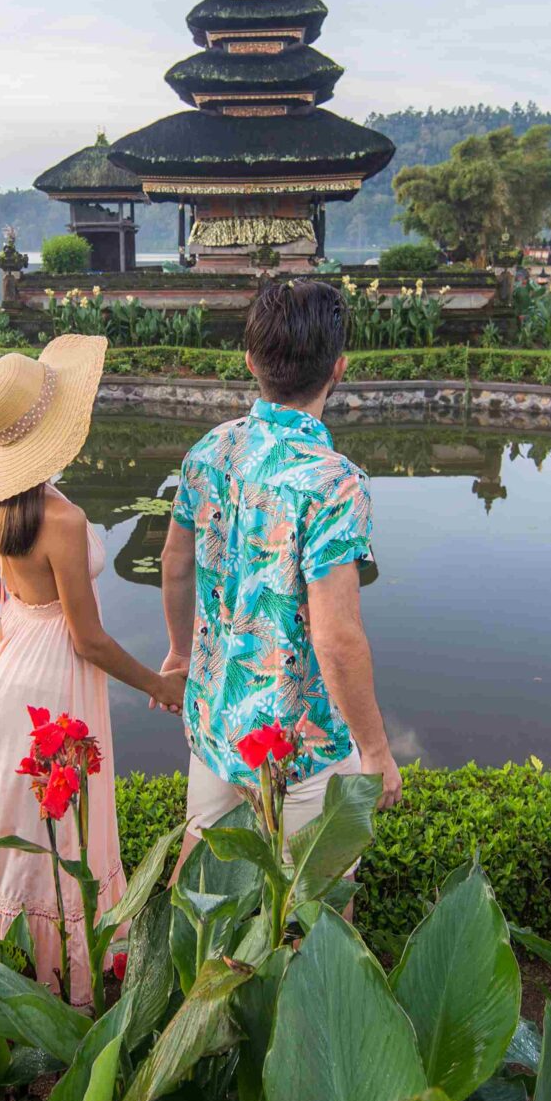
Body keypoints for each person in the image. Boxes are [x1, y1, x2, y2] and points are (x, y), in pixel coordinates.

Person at [0, 334, 185, 1006]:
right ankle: (50, 993)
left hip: (0, 667)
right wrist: (157, 682)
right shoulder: (63, 518)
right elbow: (87, 639)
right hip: (54, 679)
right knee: (54, 831)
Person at [158, 280, 403, 850]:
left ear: (250, 362)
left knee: (205, 896)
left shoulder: (210, 451)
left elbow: (174, 562)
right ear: (339, 368)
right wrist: (375, 749)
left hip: (217, 719)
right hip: (301, 745)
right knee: (308, 915)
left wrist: (179, 651)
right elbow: (336, 635)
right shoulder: (334, 483)